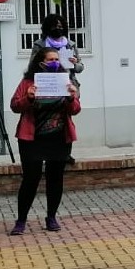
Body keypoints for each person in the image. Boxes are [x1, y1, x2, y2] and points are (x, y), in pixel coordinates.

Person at [7, 47, 81, 235]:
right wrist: (29, 97)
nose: (54, 62)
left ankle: (51, 217)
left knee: (55, 179)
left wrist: (72, 96)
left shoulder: (66, 80)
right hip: (32, 138)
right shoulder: (28, 82)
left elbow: (75, 109)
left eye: (57, 59)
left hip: (58, 137)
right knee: (31, 178)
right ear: (41, 62)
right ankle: (21, 220)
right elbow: (15, 105)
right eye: (50, 59)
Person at [32, 13, 85, 87]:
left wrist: (74, 64)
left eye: (60, 26)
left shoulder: (70, 45)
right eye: (54, 26)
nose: (57, 28)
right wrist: (45, 65)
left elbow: (80, 68)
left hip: (68, 85)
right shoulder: (40, 44)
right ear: (48, 28)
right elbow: (32, 66)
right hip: (46, 84)